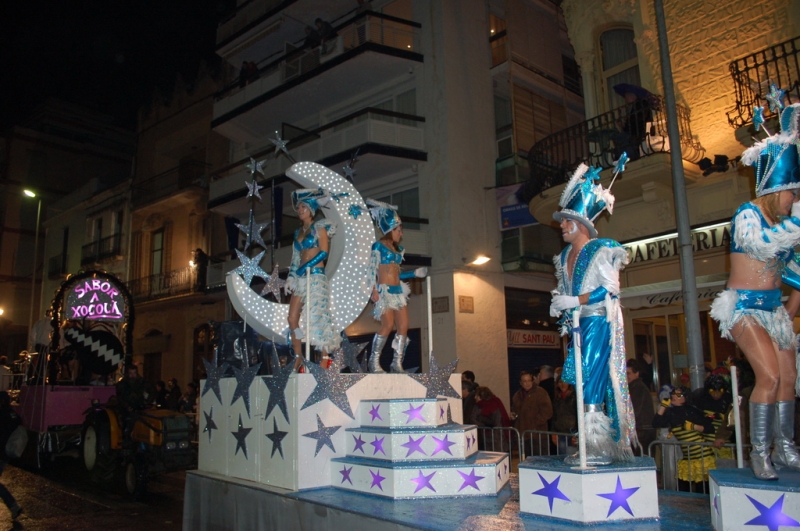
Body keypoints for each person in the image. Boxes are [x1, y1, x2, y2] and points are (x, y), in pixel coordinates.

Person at [710, 103, 800, 480]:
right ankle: (760, 452)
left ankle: (785, 447)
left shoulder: (789, 223)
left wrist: (790, 315)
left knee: (789, 378)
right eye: (791, 191)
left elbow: (794, 276)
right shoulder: (748, 214)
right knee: (769, 377)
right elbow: (762, 245)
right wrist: (796, 226)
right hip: (743, 308)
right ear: (775, 190)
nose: (795, 198)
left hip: (773, 310)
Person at [550, 163, 637, 465]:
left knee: (593, 377)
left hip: (598, 321)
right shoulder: (563, 256)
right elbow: (566, 291)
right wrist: (561, 305)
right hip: (576, 326)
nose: (562, 225)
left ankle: (598, 446)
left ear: (583, 223)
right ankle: (589, 443)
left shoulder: (602, 249)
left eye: (568, 220)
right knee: (580, 380)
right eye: (562, 221)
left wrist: (575, 300)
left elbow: (610, 291)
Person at [363, 200, 427, 373]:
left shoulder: (398, 250)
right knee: (387, 325)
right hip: (384, 291)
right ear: (390, 230)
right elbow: (371, 270)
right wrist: (373, 290)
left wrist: (414, 274)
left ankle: (396, 363)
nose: (401, 233)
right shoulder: (378, 246)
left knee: (404, 326)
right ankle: (374, 361)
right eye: (399, 230)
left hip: (398, 292)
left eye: (401, 230)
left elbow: (397, 275)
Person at [284, 189, 341, 369]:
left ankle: (325, 359)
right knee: (292, 318)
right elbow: (295, 257)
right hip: (301, 278)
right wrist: (291, 276)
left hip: (316, 277)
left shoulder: (320, 227)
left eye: (303, 206)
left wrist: (303, 269)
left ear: (311, 209)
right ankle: (298, 355)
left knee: (318, 318)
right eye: (299, 206)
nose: (300, 209)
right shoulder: (297, 232)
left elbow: (323, 252)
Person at [653, 386, 715, 492]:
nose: (673, 396)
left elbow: (710, 428)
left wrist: (694, 427)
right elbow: (656, 423)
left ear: (685, 397)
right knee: (683, 488)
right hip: (688, 457)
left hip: (703, 457)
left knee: (703, 490)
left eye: (678, 395)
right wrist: (663, 406)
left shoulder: (692, 411)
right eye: (673, 393)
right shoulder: (670, 413)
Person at [511, 371, 552, 456]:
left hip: (538, 434)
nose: (527, 383)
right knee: (527, 459)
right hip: (524, 434)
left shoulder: (540, 393)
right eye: (524, 381)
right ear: (520, 383)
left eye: (529, 380)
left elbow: (547, 411)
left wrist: (535, 423)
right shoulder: (517, 396)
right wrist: (513, 415)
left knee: (540, 459)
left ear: (532, 381)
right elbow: (515, 410)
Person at [0, 392, 22, 520]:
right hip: (5, 454)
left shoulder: (2, 414)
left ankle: (13, 505)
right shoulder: (13, 414)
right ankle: (13, 506)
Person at [627, 358, 656, 453]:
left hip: (641, 431)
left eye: (628, 373)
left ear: (637, 373)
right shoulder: (636, 387)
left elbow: (634, 411)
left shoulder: (638, 388)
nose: (626, 376)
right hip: (642, 430)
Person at [471, 386, 511, 451]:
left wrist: (481, 419)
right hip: (486, 435)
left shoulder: (494, 404)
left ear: (481, 396)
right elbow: (473, 419)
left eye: (476, 395)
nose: (475, 397)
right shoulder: (478, 406)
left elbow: (495, 421)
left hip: (497, 436)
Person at [551, 379, 578, 455]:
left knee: (572, 455)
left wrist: (577, 434)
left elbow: (578, 415)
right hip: (561, 433)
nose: (563, 384)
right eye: (560, 382)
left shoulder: (575, 397)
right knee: (562, 457)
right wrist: (553, 432)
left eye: (565, 381)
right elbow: (554, 416)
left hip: (572, 432)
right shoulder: (557, 398)